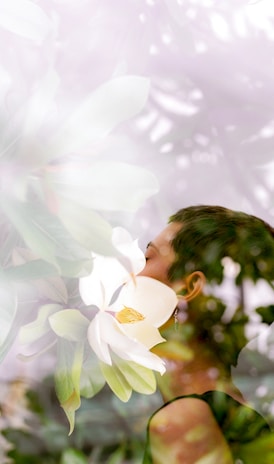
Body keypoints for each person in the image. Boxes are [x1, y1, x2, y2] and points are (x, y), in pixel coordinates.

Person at [138, 205, 274, 464]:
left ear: (187, 288)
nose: (131, 274)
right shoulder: (231, 415)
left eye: (147, 258)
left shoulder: (187, 421)